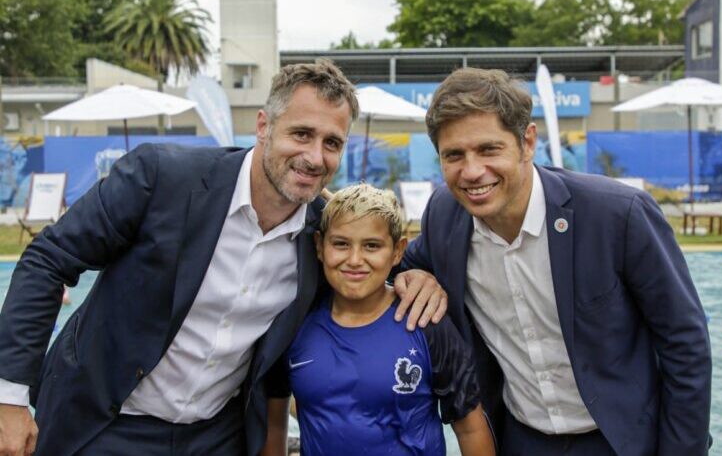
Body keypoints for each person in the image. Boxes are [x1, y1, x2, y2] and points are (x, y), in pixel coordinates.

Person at [0, 61, 447, 456]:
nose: (315, 156)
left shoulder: (323, 234)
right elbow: (47, 259)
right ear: (262, 126)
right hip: (105, 422)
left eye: (332, 142)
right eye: (302, 134)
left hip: (216, 437)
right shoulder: (161, 179)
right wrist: (9, 398)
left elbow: (369, 270)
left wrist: (415, 278)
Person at [401, 67, 712, 455]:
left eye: (488, 149)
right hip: (519, 440)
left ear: (527, 142)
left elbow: (686, 344)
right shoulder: (443, 218)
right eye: (454, 155)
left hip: (623, 442)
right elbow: (395, 267)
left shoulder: (618, 216)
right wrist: (415, 275)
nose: (472, 171)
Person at [260, 184, 495, 456]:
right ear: (320, 246)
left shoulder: (425, 321)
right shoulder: (294, 325)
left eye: (372, 246)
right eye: (341, 244)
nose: (355, 259)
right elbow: (274, 425)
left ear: (397, 251)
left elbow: (470, 428)